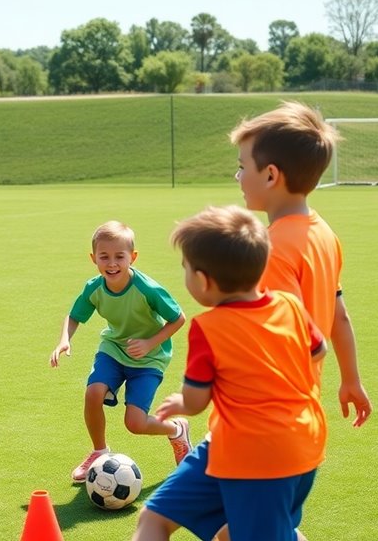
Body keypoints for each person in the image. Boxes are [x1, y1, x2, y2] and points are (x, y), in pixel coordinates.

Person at [133, 205, 327, 541]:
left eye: (185, 268)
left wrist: (180, 403)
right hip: (277, 443)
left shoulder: (208, 328)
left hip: (259, 457)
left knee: (162, 521)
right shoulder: (289, 304)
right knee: (164, 518)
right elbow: (318, 351)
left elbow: (196, 401)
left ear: (203, 281)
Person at [232, 100, 371, 427]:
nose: (237, 176)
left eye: (242, 166)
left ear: (270, 175)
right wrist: (351, 379)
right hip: (303, 408)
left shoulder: (272, 250)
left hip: (268, 415)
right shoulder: (324, 233)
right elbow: (340, 314)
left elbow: (285, 342)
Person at [50, 220, 190, 482]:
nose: (111, 263)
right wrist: (64, 340)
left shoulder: (146, 288)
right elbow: (74, 315)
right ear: (94, 258)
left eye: (119, 257)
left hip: (149, 358)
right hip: (114, 348)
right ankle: (99, 451)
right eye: (104, 257)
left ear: (132, 258)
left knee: (135, 423)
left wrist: (150, 343)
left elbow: (178, 318)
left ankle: (176, 430)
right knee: (93, 392)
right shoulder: (94, 287)